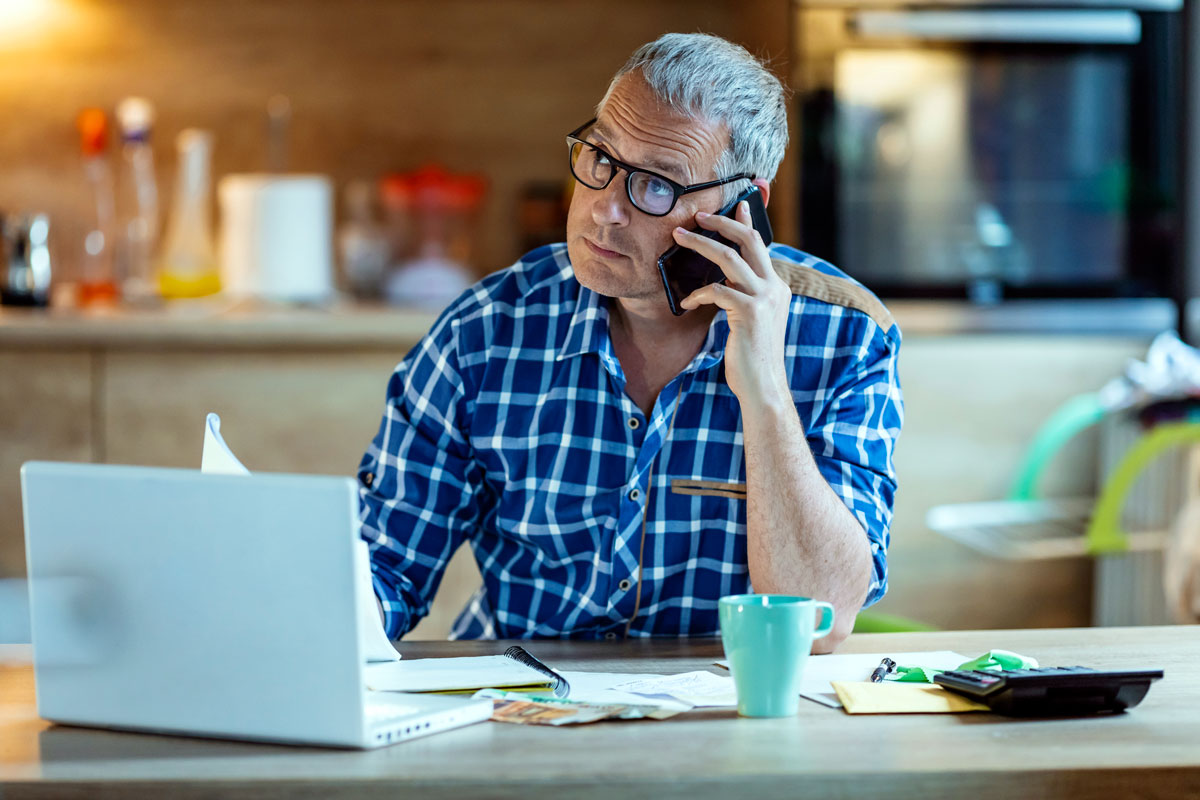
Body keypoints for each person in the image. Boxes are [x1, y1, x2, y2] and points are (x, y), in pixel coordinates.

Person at [357, 32, 903, 652]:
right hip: (521, 708)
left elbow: (819, 623)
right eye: (601, 159)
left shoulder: (846, 336)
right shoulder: (484, 331)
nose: (604, 210)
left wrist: (767, 394)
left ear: (742, 207)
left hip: (730, 714)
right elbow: (384, 564)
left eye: (656, 186)